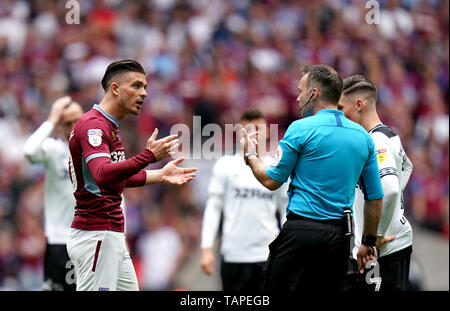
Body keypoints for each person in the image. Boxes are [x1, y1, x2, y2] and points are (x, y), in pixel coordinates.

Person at [241, 65, 384, 291]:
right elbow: (375, 197)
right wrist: (368, 241)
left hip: (300, 232)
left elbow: (271, 180)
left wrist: (250, 155)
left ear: (313, 94)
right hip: (339, 238)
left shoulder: (300, 129)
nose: (297, 98)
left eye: (300, 91)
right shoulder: (363, 138)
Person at [66, 59, 197, 291]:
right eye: (136, 86)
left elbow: (116, 178)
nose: (144, 93)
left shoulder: (110, 126)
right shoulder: (93, 125)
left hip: (111, 234)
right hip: (96, 234)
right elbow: (103, 175)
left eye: (145, 87)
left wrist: (160, 175)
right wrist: (148, 156)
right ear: (115, 89)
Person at [338, 74, 413, 291]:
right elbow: (407, 167)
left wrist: (373, 237)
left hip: (382, 249)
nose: (340, 115)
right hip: (391, 244)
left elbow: (389, 190)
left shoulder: (376, 142)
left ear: (359, 104)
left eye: (342, 108)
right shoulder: (389, 136)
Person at [200, 108, 288, 291]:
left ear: (267, 132)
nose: (255, 133)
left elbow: (286, 209)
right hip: (234, 254)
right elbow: (213, 207)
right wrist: (206, 247)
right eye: (249, 129)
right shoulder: (225, 165)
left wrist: (286, 249)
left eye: (259, 128)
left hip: (268, 254)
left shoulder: (275, 167)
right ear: (241, 132)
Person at [23, 96, 84, 291]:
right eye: (67, 122)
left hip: (89, 239)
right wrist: (51, 119)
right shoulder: (53, 149)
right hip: (59, 240)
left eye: (77, 120)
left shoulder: (96, 153)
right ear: (60, 126)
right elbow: (29, 151)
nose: (74, 126)